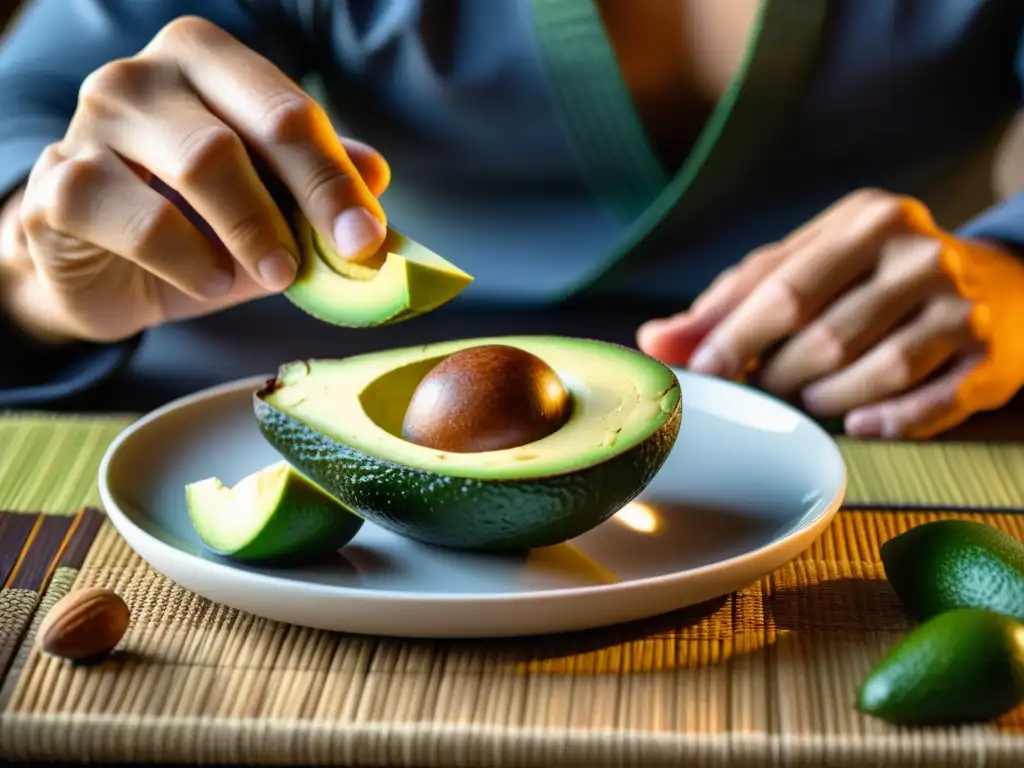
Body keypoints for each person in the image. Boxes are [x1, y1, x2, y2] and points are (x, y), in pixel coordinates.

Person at [1, 0, 1023, 437]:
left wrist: (1011, 276)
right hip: (282, 420)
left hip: (862, 421)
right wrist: (33, 271)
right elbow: (34, 102)